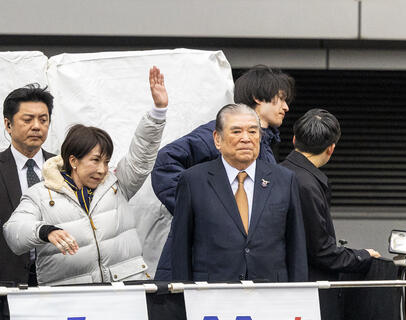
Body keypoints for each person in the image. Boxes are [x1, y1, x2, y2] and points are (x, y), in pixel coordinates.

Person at [3, 67, 168, 285]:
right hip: (73, 299)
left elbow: (142, 154)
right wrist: (45, 231)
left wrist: (158, 113)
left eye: (106, 161)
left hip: (125, 292)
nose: (102, 169)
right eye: (95, 160)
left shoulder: (117, 185)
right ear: (73, 161)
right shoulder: (40, 194)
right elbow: (13, 231)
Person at [153, 65, 295, 279]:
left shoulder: (266, 143)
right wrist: (200, 211)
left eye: (251, 132)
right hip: (206, 272)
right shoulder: (222, 133)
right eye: (280, 98)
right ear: (258, 97)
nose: (285, 107)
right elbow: (166, 163)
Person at [170, 104, 308, 282]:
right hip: (212, 296)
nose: (246, 139)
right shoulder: (193, 181)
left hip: (271, 295)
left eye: (252, 132)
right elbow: (181, 247)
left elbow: (296, 247)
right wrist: (183, 298)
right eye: (236, 132)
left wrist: (298, 297)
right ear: (217, 139)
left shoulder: (284, 179)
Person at [0, 84, 56, 285]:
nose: (37, 126)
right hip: (2, 281)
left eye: (43, 120)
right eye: (27, 120)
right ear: (8, 125)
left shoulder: (64, 169)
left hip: (57, 278)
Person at [281, 108, 380, 280]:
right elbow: (319, 250)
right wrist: (362, 256)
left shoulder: (277, 172)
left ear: (294, 139)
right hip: (304, 288)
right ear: (331, 148)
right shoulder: (306, 185)